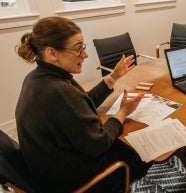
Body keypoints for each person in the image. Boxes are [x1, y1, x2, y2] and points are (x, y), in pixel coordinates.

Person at [15, 16, 152, 193]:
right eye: (78, 49)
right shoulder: (59, 92)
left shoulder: (37, 78)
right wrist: (123, 112)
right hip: (70, 181)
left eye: (83, 48)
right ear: (52, 53)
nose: (85, 55)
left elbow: (81, 102)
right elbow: (99, 143)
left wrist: (114, 76)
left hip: (48, 167)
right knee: (141, 149)